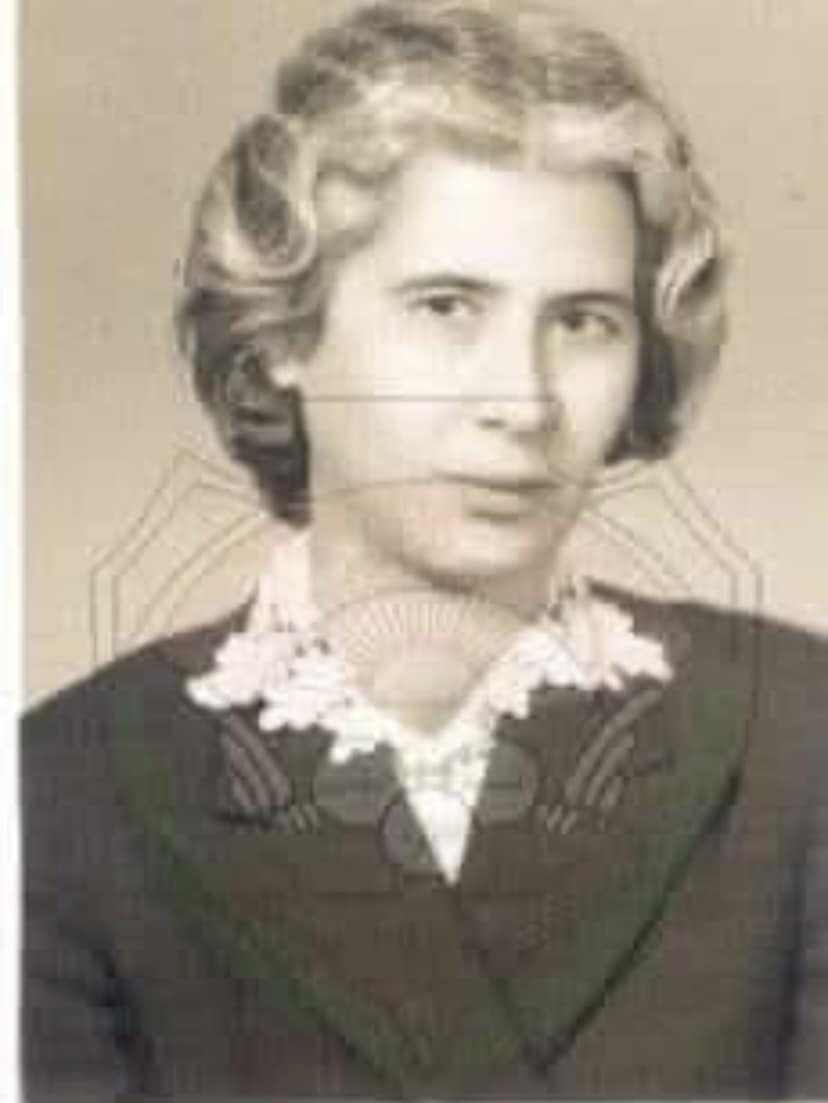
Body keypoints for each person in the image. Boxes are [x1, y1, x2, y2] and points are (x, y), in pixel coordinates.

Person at [21, 1, 828, 1098]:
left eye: (584, 321)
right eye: (447, 306)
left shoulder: (798, 741)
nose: (524, 402)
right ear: (286, 333)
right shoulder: (61, 795)